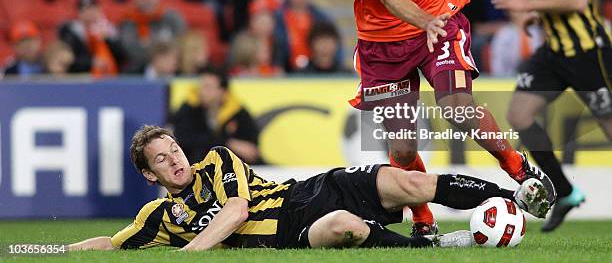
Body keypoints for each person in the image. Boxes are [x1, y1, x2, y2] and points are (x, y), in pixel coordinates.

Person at [347, 0, 558, 235]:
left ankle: (518, 169)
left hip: (442, 19)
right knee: (404, 148)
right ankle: (424, 222)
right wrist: (422, 20)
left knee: (457, 109)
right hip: (383, 42)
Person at [69, 125, 551, 251]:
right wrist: (51, 247)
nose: (176, 160)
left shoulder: (215, 161)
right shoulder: (156, 221)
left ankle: (515, 198)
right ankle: (434, 246)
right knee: (344, 228)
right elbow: (111, 245)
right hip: (293, 230)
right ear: (150, 176)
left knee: (407, 181)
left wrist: (191, 250)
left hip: (312, 188)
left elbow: (235, 211)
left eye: (174, 149)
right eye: (162, 159)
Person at [489, 0, 612, 232]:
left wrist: (526, 2)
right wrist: (535, 15)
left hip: (587, 51)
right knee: (520, 114)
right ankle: (564, 191)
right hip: (554, 50)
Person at [171, 67, 261, 164]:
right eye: (201, 86)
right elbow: (184, 139)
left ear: (222, 91)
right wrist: (228, 143)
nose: (202, 91)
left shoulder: (236, 111)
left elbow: (251, 146)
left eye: (208, 87)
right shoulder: (189, 108)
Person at [119, 0, 186, 73]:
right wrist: (157, 56)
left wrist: (148, 45)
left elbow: (182, 43)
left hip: (174, 66)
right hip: (141, 70)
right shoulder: (128, 21)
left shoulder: (172, 17)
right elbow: (130, 49)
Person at [58, 0, 126, 76]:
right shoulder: (70, 31)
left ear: (99, 9)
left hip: (110, 75)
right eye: (84, 10)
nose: (88, 13)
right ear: (78, 13)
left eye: (91, 9)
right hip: (81, 77)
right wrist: (91, 62)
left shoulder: (109, 29)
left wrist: (107, 39)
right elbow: (67, 59)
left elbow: (123, 56)